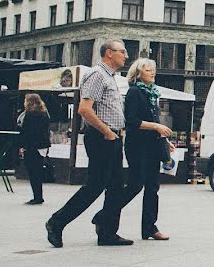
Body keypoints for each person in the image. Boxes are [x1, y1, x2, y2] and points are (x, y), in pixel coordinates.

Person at [46, 40, 132, 248]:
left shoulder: (110, 77)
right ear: (109, 54)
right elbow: (84, 110)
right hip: (102, 137)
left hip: (112, 137)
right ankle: (56, 222)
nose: (126, 56)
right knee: (94, 186)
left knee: (115, 187)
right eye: (122, 51)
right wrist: (107, 132)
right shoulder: (97, 75)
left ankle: (107, 232)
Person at [120, 58, 173, 241]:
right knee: (135, 185)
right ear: (138, 73)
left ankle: (149, 228)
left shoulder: (152, 94)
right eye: (148, 69)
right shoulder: (135, 92)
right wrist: (157, 128)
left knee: (152, 187)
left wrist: (164, 139)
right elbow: (132, 121)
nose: (152, 72)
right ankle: (104, 215)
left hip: (152, 146)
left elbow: (154, 121)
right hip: (137, 146)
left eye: (153, 69)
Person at [17, 93, 50, 205]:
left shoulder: (29, 114)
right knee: (38, 172)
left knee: (32, 172)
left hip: (31, 146)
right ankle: (38, 195)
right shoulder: (44, 113)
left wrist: (22, 146)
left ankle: (37, 197)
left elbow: (25, 132)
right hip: (42, 146)